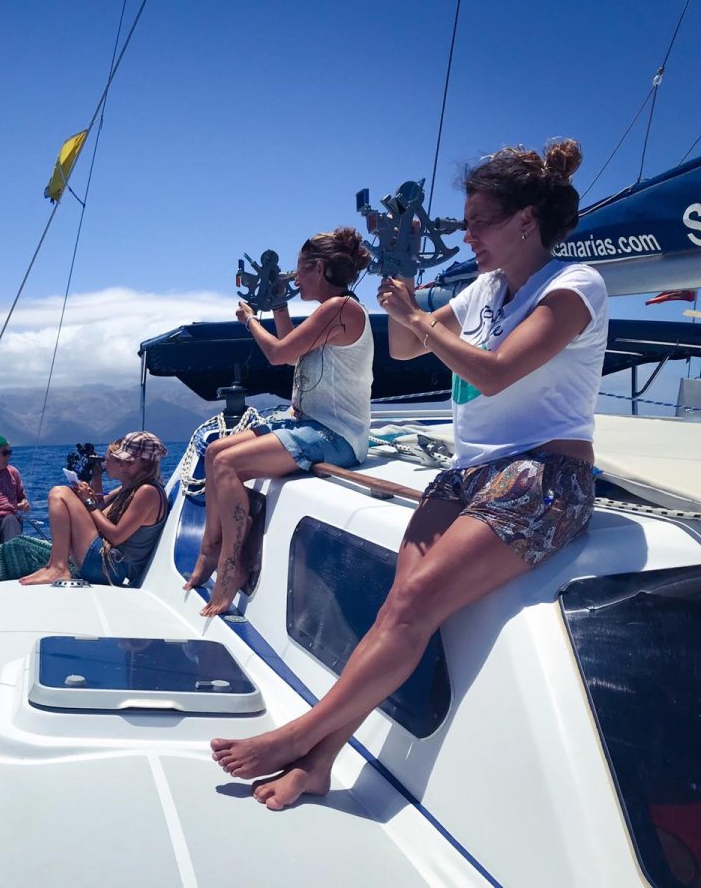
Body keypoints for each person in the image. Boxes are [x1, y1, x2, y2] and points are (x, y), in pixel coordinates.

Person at [211, 139, 608, 811]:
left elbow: (492, 372)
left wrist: (423, 318)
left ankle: (300, 739)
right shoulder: (485, 288)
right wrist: (406, 304)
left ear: (525, 220)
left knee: (413, 602)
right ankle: (323, 762)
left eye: (480, 220)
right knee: (400, 607)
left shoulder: (573, 287)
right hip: (469, 474)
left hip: (543, 475)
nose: (469, 234)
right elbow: (403, 346)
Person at [183, 227, 375, 617]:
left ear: (319, 268)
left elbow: (276, 354)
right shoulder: (334, 309)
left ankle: (231, 567)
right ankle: (209, 550)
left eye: (300, 271)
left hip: (337, 435)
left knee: (227, 463)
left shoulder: (339, 309)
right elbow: (291, 353)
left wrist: (250, 320)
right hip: (308, 425)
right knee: (214, 450)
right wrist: (279, 306)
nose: (295, 278)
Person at [0, 431, 169, 593]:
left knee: (59, 493)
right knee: (20, 546)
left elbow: (115, 536)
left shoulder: (147, 492)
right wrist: (91, 491)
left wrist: (87, 503)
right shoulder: (131, 489)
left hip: (113, 567)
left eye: (120, 461)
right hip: (102, 560)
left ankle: (58, 566)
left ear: (138, 464)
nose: (113, 465)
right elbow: (100, 508)